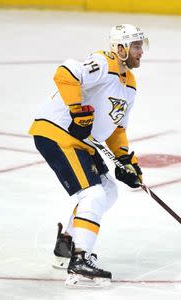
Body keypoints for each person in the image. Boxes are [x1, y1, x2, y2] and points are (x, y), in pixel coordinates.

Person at [29, 24, 149, 287]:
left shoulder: (130, 84)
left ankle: (68, 244)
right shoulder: (102, 63)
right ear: (120, 49)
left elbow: (117, 128)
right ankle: (80, 259)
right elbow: (65, 73)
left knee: (108, 190)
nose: (141, 51)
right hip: (57, 132)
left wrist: (128, 161)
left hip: (82, 142)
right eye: (136, 46)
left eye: (142, 45)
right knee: (92, 194)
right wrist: (76, 110)